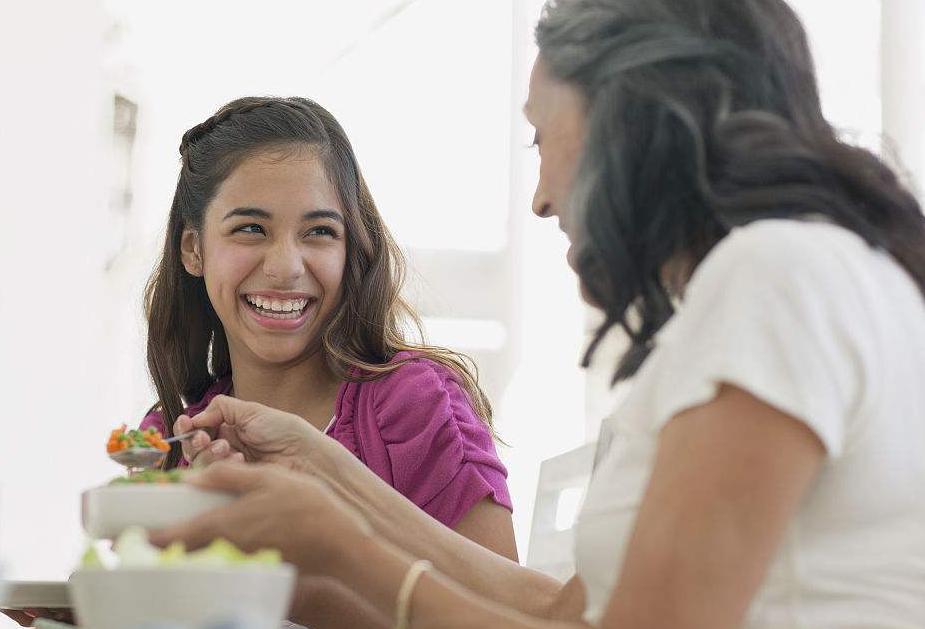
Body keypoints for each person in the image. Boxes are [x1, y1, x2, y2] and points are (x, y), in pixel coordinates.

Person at [154, 1, 925, 627]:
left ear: (627, 128)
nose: (540, 196)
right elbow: (564, 610)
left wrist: (335, 551)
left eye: (540, 138)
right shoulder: (791, 275)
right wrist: (322, 464)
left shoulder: (776, 278)